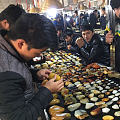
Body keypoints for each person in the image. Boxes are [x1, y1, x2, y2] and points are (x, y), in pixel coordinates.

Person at [0, 13, 64, 120]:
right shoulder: (7, 74)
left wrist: (35, 74)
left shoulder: (7, 47)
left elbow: (17, 69)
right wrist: (47, 91)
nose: (39, 56)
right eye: (38, 52)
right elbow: (18, 117)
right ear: (21, 44)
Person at [105, 0, 120, 72]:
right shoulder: (111, 25)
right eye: (116, 8)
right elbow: (107, 47)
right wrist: (107, 41)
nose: (119, 11)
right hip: (117, 65)